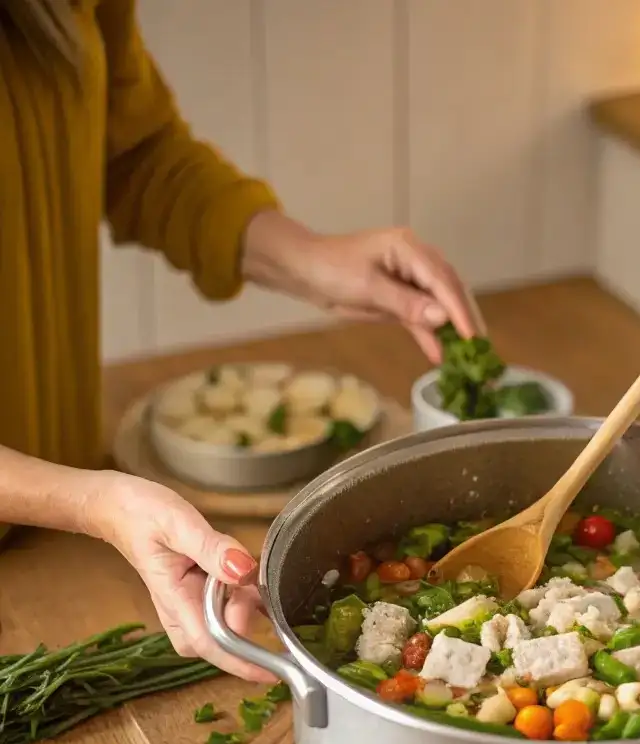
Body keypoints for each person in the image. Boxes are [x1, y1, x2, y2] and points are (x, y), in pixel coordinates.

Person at [0, 0, 482, 681]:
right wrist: (92, 502)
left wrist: (313, 261)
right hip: (74, 512)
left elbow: (135, 155)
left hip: (66, 524)